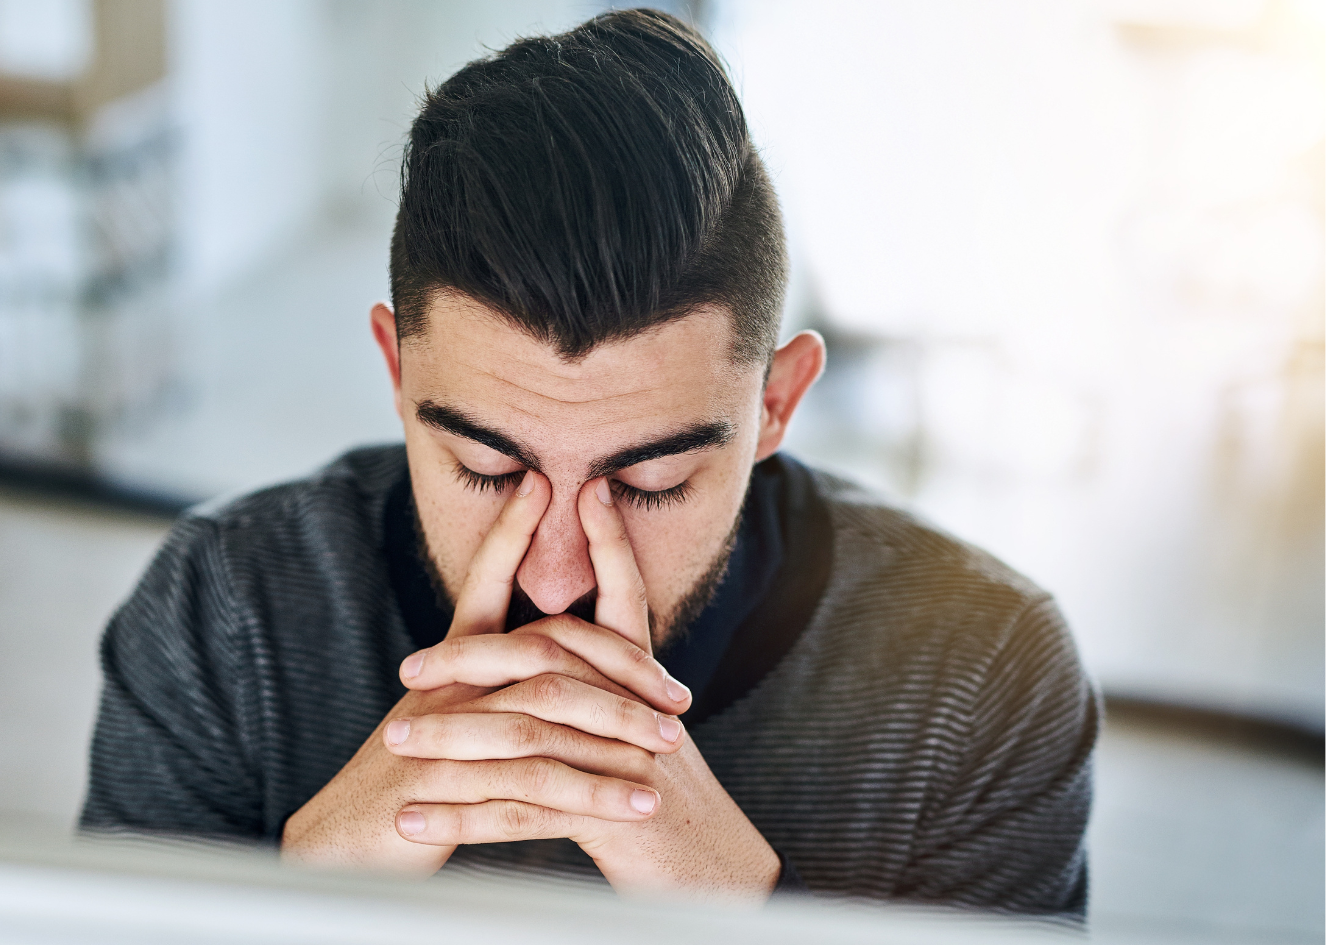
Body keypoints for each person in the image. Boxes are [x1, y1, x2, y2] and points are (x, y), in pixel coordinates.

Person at [82, 8, 1096, 920]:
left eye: (649, 484)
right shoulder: (221, 611)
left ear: (777, 403)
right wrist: (302, 895)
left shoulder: (984, 677)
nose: (556, 574)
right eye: (486, 466)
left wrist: (736, 910)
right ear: (396, 370)